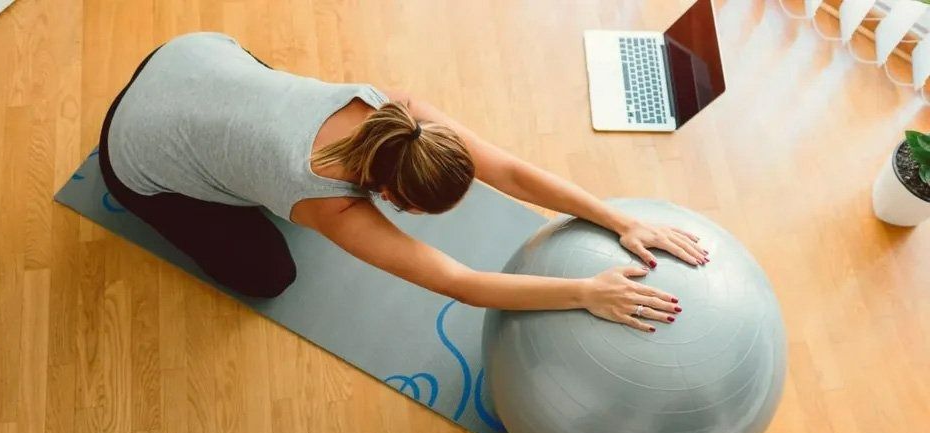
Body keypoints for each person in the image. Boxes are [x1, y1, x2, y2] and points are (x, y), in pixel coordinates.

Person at [99, 32, 709, 333]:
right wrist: (582, 292)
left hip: (190, 55)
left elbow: (513, 171)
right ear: (387, 196)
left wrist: (621, 220)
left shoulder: (398, 113)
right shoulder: (325, 203)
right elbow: (459, 284)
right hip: (135, 150)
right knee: (271, 277)